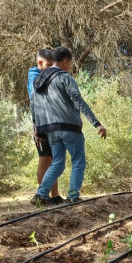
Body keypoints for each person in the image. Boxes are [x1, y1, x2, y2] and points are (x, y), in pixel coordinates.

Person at [30, 46, 107, 206]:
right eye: (70, 63)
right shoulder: (65, 77)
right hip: (69, 127)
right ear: (65, 62)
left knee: (58, 162)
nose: (70, 66)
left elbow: (33, 104)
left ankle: (41, 194)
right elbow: (78, 101)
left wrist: (37, 128)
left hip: (50, 130)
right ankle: (73, 196)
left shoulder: (38, 81)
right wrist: (96, 124)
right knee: (78, 161)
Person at [27, 49, 63, 204]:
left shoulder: (47, 74)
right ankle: (42, 196)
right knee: (45, 158)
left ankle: (55, 196)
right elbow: (35, 99)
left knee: (54, 159)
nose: (50, 68)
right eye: (48, 65)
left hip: (52, 122)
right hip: (41, 124)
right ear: (40, 63)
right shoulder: (34, 75)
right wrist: (37, 126)